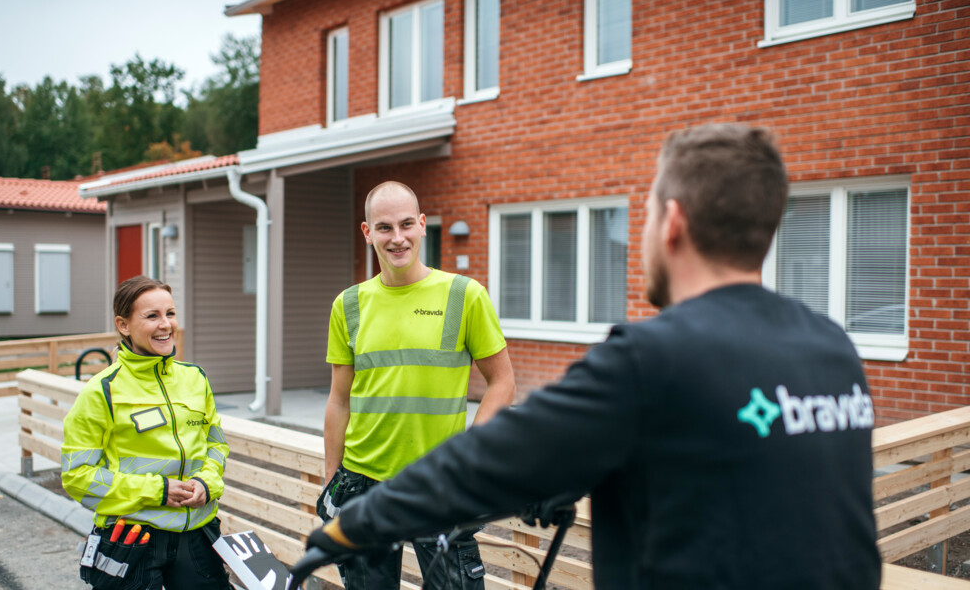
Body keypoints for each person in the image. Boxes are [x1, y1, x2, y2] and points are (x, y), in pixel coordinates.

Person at [307, 124, 882, 589]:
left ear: (673, 222)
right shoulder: (833, 350)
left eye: (647, 212)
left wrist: (345, 527)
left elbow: (501, 458)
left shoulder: (648, 361)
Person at [320, 181, 516, 589]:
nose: (398, 238)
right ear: (367, 232)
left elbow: (502, 382)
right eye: (385, 227)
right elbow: (339, 401)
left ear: (423, 225)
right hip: (361, 482)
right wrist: (330, 479)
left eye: (407, 224)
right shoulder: (349, 304)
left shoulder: (465, 296)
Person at [62, 276, 231, 590]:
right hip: (130, 539)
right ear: (123, 325)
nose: (165, 324)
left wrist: (207, 483)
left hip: (197, 535)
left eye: (170, 313)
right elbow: (77, 477)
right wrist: (158, 490)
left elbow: (216, 446)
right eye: (152, 316)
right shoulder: (102, 391)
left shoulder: (195, 378)